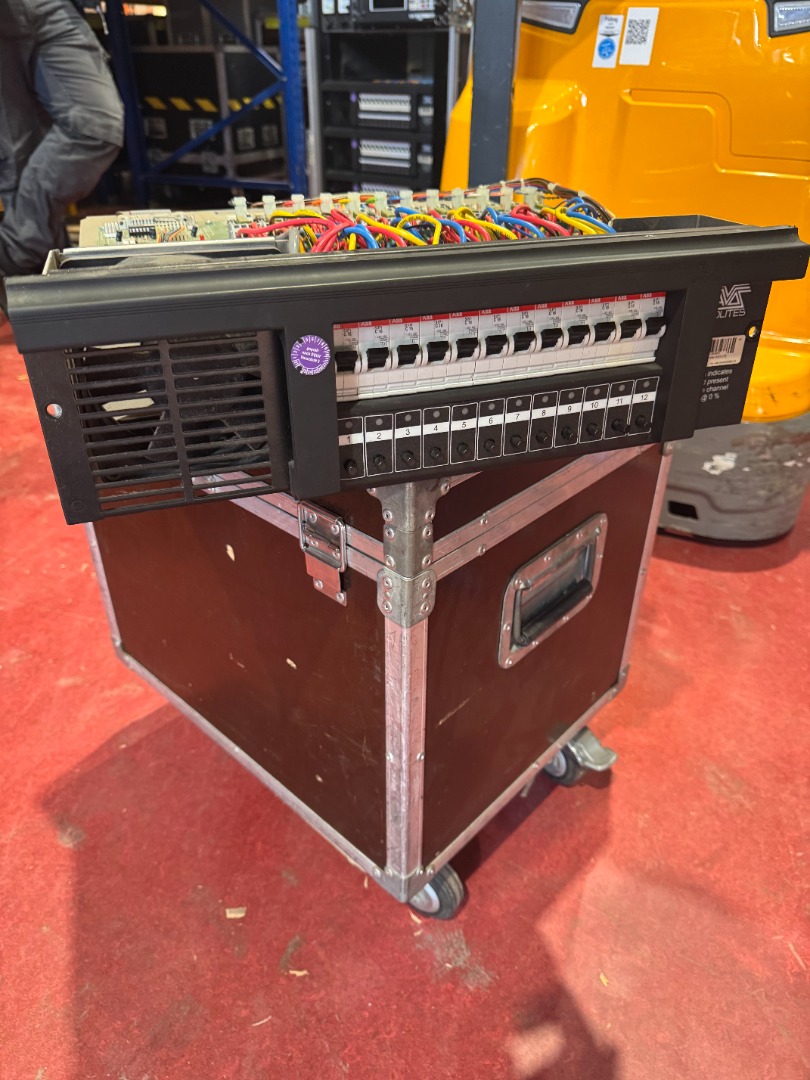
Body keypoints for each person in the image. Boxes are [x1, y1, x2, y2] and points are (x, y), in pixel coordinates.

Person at [0, 0, 124, 295]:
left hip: (53, 6)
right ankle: (46, 288)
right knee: (18, 157)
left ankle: (17, 254)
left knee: (96, 126)